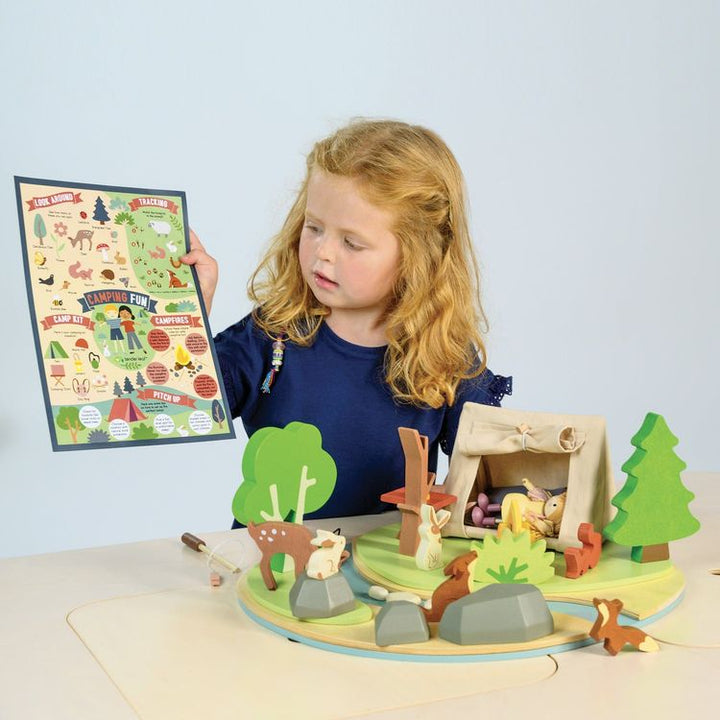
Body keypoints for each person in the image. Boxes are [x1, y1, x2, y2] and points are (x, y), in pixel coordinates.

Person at [183, 119, 511, 520]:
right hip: (270, 555)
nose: (323, 252)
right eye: (314, 227)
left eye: (351, 243)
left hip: (387, 559)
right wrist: (187, 313)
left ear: (418, 257)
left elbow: (494, 474)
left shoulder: (443, 356)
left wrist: (466, 497)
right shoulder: (272, 335)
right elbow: (182, 409)